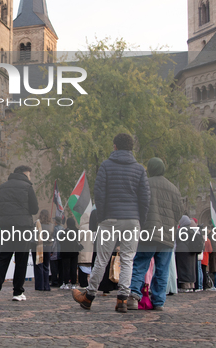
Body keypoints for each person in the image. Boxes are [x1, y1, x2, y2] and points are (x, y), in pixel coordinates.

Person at [72, 133, 150, 313]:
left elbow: (99, 193)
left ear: (114, 146)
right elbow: (145, 198)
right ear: (131, 148)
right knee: (128, 259)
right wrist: (140, 220)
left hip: (110, 218)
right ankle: (122, 298)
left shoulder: (106, 166)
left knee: (102, 259)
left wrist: (102, 217)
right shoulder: (139, 169)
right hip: (132, 219)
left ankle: (89, 296)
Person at [127, 157, 182, 311]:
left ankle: (134, 294)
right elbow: (179, 213)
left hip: (148, 233)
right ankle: (159, 301)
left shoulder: (144, 185)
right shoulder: (174, 189)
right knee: (162, 269)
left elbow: (137, 206)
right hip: (167, 235)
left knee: (140, 264)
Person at [0, 165, 39, 301]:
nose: (30, 177)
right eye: (29, 174)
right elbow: (34, 209)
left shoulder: (2, 187)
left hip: (6, 228)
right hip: (23, 228)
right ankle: (17, 292)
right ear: (24, 174)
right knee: (21, 260)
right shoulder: (28, 187)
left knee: (2, 259)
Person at [60, 216, 82, 290]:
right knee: (73, 268)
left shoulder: (65, 231)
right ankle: (73, 283)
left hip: (66, 252)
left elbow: (60, 240)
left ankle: (66, 282)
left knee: (66, 268)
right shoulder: (77, 231)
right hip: (74, 251)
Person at [32, 210, 52, 291]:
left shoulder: (37, 224)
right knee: (46, 267)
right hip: (48, 247)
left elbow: (33, 236)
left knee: (38, 267)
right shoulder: (51, 226)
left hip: (38, 247)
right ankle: (46, 285)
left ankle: (40, 285)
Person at [50, 216, 64, 288]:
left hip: (55, 250)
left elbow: (54, 241)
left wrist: (51, 251)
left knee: (54, 268)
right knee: (61, 267)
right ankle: (61, 281)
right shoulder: (63, 229)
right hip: (61, 250)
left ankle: (54, 281)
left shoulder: (54, 229)